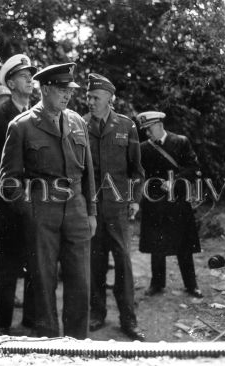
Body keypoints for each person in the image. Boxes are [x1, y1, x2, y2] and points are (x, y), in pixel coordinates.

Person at [0, 62, 97, 339]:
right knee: (43, 280)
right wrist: (29, 210)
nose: (67, 96)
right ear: (44, 89)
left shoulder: (77, 121)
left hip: (77, 208)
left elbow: (88, 171)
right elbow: (9, 180)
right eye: (61, 90)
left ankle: (78, 343)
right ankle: (49, 342)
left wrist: (92, 212)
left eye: (70, 90)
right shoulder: (22, 126)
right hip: (42, 210)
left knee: (80, 280)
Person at [84, 73, 145, 340]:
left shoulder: (127, 126)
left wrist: (134, 199)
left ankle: (128, 320)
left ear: (110, 99)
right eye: (88, 96)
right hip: (92, 210)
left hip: (118, 209)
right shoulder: (79, 124)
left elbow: (137, 170)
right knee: (94, 263)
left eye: (96, 97)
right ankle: (97, 314)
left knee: (123, 265)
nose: (90, 101)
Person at [0, 54, 37, 334]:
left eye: (31, 75)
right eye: (23, 75)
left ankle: (30, 322)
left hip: (39, 201)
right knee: (5, 268)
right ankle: (2, 326)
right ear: (11, 83)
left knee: (35, 264)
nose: (30, 79)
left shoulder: (41, 113)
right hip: (6, 205)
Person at [138, 111, 203, 298]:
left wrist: (176, 181)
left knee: (184, 245)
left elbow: (194, 168)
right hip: (155, 202)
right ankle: (157, 284)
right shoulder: (143, 148)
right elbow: (140, 174)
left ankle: (191, 285)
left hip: (178, 202)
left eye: (149, 129)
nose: (147, 134)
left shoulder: (181, 141)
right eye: (145, 131)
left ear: (159, 124)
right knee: (157, 245)